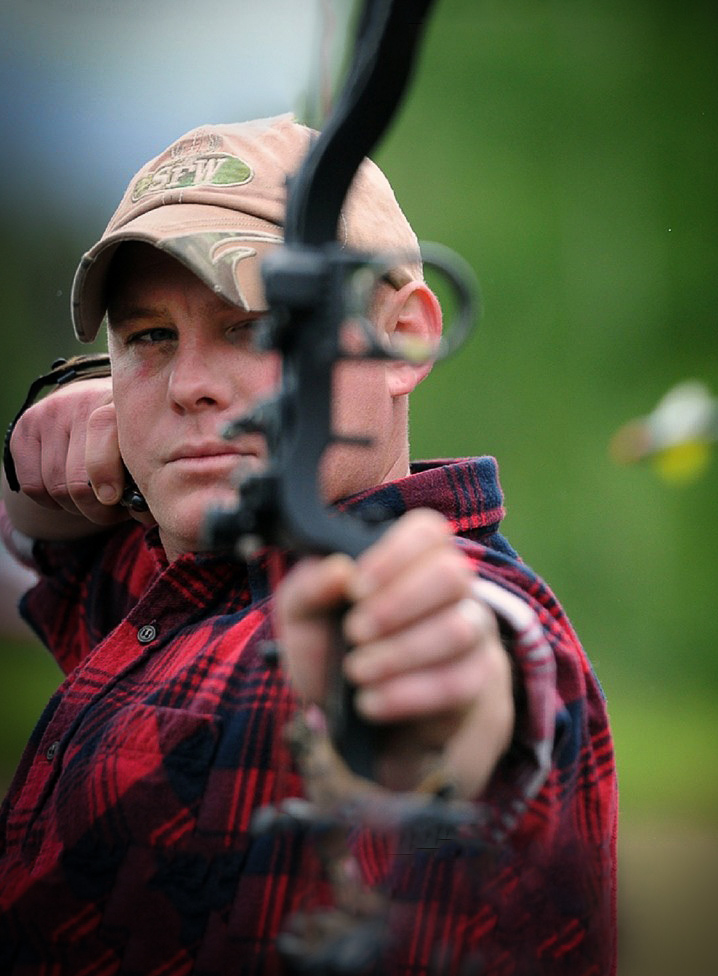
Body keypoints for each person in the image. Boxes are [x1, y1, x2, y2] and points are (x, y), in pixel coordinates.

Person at [0, 114, 617, 975]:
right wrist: (54, 432)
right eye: (150, 338)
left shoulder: (458, 604)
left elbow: (492, 671)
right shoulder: (181, 578)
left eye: (253, 326)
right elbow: (44, 545)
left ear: (403, 337)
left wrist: (443, 696)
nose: (188, 386)